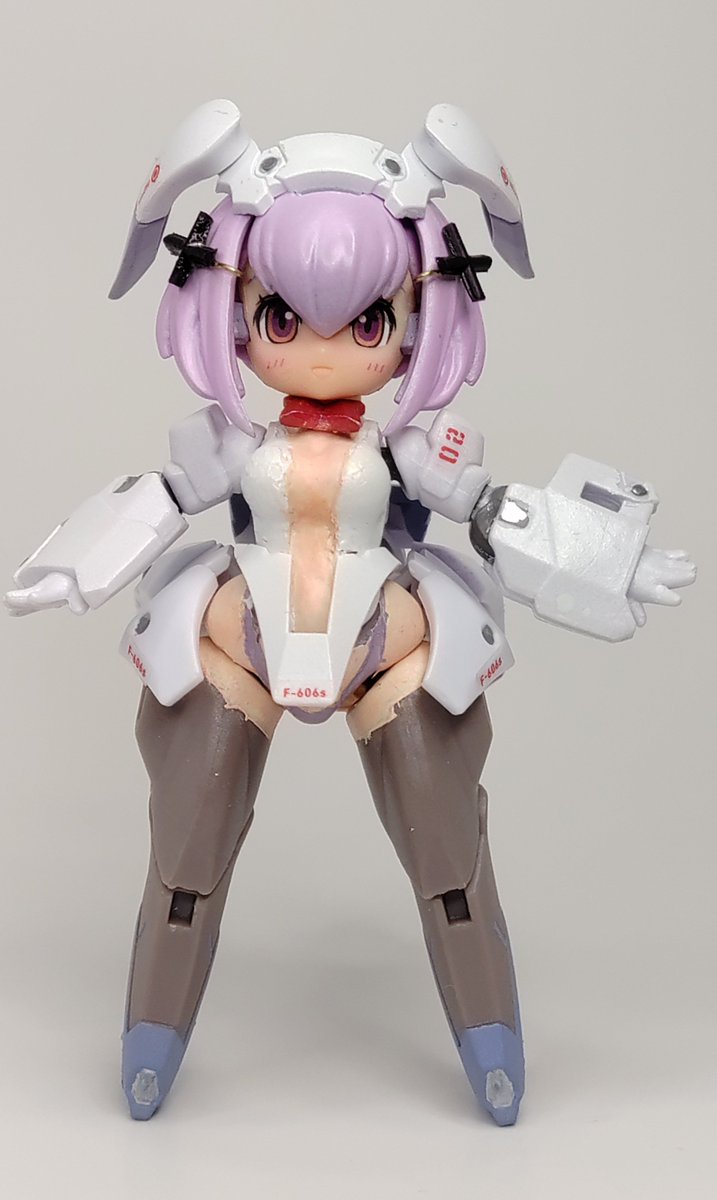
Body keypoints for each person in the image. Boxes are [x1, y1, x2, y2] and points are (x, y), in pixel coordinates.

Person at [5, 100, 695, 1124]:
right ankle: (151, 1041)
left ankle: (491, 1043)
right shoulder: (229, 445)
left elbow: (498, 512)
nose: (323, 350)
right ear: (232, 306)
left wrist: (607, 557)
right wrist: (76, 562)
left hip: (385, 640)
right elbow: (158, 498)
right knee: (190, 848)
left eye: (367, 323)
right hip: (244, 634)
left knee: (446, 853)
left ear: (420, 314)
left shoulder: (415, 451)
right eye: (283, 319)